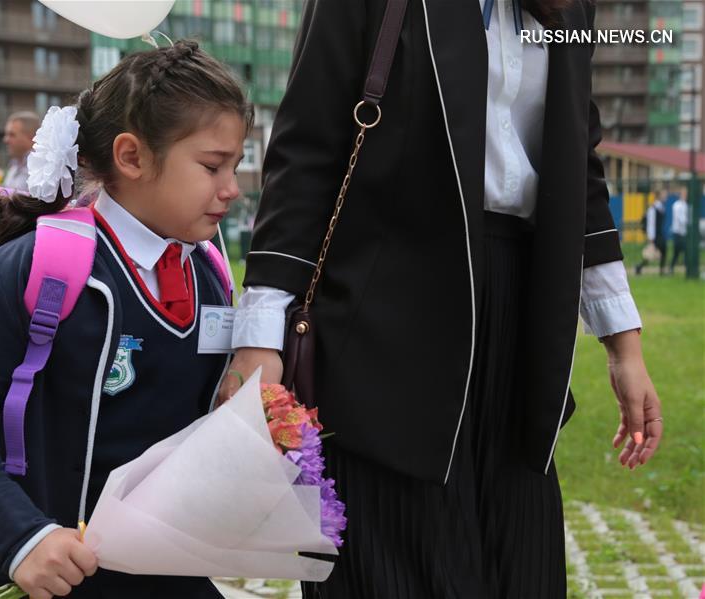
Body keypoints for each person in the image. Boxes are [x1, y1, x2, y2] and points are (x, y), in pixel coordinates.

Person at [219, 1, 663, 597]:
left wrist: (622, 345)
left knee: (521, 572)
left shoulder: (566, 9)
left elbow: (579, 172)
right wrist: (261, 336)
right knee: (393, 565)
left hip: (522, 325)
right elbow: (307, 152)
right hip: (388, 324)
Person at [0, 40, 251, 599]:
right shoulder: (37, 268)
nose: (232, 188)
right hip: (28, 573)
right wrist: (21, 538)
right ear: (132, 157)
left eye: (235, 165)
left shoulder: (210, 274)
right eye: (212, 165)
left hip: (155, 574)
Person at [2, 111, 40, 192]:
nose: (6, 140)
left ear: (31, 137)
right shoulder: (14, 165)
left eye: (12, 135)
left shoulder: (40, 170)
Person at [635, 191, 668, 275]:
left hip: (659, 233)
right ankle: (640, 267)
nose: (665, 195)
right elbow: (651, 224)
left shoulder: (660, 207)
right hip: (655, 235)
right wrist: (651, 239)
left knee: (662, 250)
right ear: (659, 196)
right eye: (664, 194)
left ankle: (661, 271)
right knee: (652, 253)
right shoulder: (653, 208)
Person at [669, 189, 688, 274]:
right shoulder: (677, 205)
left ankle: (688, 269)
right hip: (677, 233)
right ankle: (671, 268)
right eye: (684, 194)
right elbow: (680, 219)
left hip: (684, 233)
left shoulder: (686, 205)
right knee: (676, 252)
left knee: (686, 251)